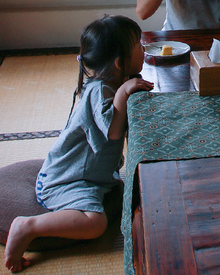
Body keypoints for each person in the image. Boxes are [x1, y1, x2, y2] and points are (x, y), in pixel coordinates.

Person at [4, 15, 153, 273]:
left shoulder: (107, 83)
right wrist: (124, 92)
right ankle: (27, 226)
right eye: (139, 45)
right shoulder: (100, 91)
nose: (144, 48)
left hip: (89, 176)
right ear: (119, 63)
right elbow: (114, 132)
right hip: (68, 180)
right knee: (95, 223)